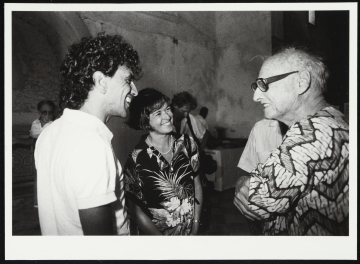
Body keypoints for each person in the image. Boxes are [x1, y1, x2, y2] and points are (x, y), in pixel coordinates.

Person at [34, 32, 142, 235]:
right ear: (101, 81)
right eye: (128, 80)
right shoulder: (90, 144)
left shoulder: (49, 133)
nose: (134, 91)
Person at [233, 46, 349, 236]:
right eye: (256, 86)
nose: (256, 96)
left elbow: (255, 201)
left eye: (264, 84)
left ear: (302, 82)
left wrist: (246, 181)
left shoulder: (310, 133)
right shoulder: (334, 119)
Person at [124, 88, 203, 235]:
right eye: (158, 113)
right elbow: (135, 209)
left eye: (167, 109)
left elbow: (197, 186)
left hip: (190, 234)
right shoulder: (137, 159)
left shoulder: (187, 144)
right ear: (145, 120)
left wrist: (196, 225)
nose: (167, 116)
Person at [237, 119, 288, 235]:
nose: (256, 99)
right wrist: (242, 182)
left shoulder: (317, 129)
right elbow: (246, 169)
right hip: (267, 224)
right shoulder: (261, 127)